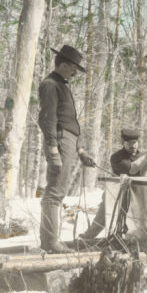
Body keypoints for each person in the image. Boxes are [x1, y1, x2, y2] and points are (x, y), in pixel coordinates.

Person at [38, 45, 95, 254]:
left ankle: (50, 241)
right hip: (60, 142)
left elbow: (68, 122)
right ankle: (50, 242)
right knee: (54, 193)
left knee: (58, 192)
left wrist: (80, 152)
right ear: (62, 65)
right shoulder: (50, 84)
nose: (74, 73)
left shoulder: (62, 86)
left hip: (68, 142)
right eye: (73, 68)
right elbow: (48, 119)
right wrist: (53, 149)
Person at [78, 128, 147, 241]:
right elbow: (132, 169)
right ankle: (88, 237)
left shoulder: (144, 155)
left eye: (134, 143)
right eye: (129, 143)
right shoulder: (116, 157)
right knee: (105, 212)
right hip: (117, 192)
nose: (133, 146)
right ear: (123, 143)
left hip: (139, 193)